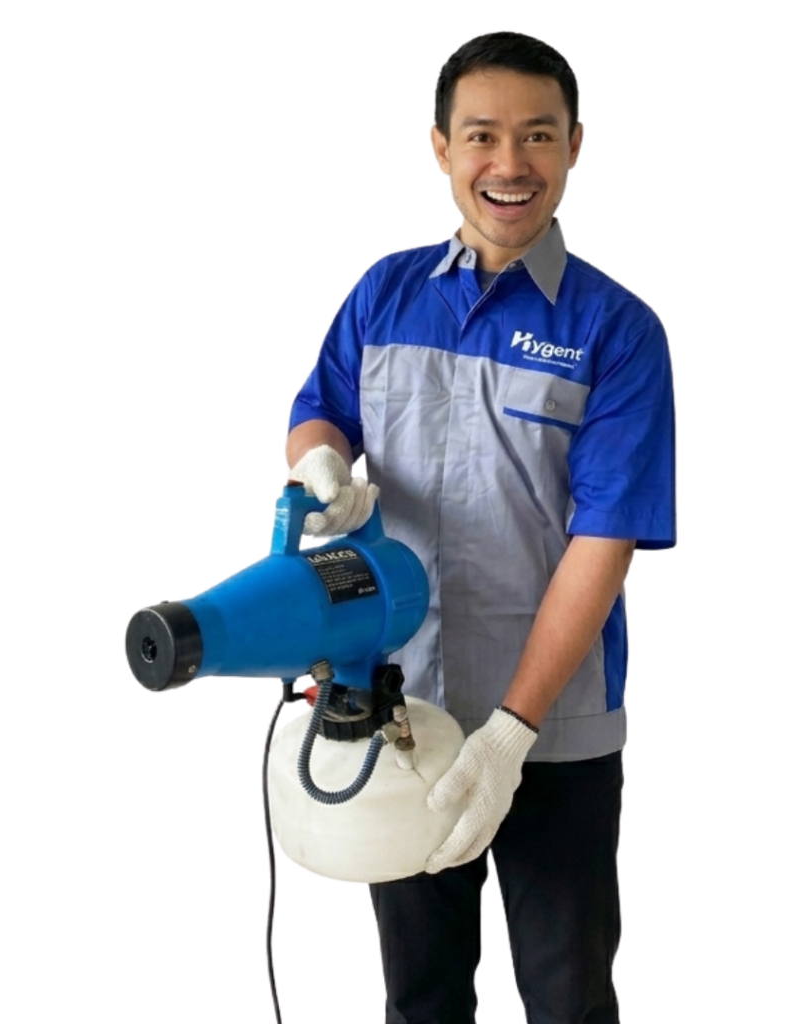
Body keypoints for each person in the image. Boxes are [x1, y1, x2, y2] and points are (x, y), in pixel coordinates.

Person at [284, 31, 676, 1024]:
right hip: (401, 708)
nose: (510, 163)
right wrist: (318, 461)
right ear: (440, 148)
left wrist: (510, 733)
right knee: (419, 998)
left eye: (537, 135)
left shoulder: (617, 329)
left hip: (554, 731)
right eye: (482, 135)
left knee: (566, 1000)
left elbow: (606, 541)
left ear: (575, 147)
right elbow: (319, 410)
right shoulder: (382, 292)